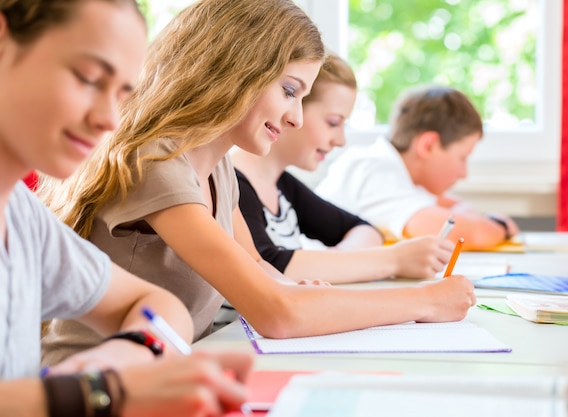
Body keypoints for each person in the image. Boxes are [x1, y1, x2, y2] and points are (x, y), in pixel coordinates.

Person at [38, 0, 476, 365]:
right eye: (289, 91)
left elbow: (260, 273)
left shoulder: (219, 169)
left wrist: (298, 293)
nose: (297, 117)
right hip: (94, 388)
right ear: (235, 70)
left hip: (165, 378)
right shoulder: (156, 163)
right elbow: (275, 314)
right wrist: (425, 301)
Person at [0, 0, 251, 415]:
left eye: (121, 94)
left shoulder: (22, 217)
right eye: (88, 78)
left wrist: (115, 361)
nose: (109, 120)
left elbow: (158, 306)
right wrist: (96, 394)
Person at [232, 54, 454, 283]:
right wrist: (392, 259)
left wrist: (340, 263)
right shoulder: (234, 185)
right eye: (333, 123)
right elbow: (268, 266)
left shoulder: (282, 186)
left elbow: (364, 229)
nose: (340, 140)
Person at [316, 85, 520, 250]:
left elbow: (456, 207)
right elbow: (462, 232)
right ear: (428, 145)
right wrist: (500, 227)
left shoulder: (398, 175)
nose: (463, 174)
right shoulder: (375, 171)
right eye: (462, 158)